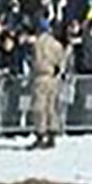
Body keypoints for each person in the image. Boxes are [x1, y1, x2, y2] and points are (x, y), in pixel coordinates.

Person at [29, 20, 67, 150]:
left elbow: (33, 59)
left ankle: (40, 133)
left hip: (40, 76)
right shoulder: (56, 44)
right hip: (53, 77)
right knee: (52, 106)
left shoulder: (36, 43)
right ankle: (52, 134)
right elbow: (62, 61)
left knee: (39, 107)